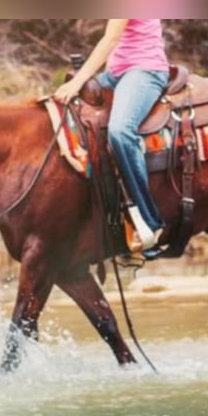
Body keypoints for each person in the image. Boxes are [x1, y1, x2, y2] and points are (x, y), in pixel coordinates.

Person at [54, 19, 169, 253]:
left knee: (120, 131)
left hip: (144, 70)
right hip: (115, 73)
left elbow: (111, 38)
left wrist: (78, 82)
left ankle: (149, 221)